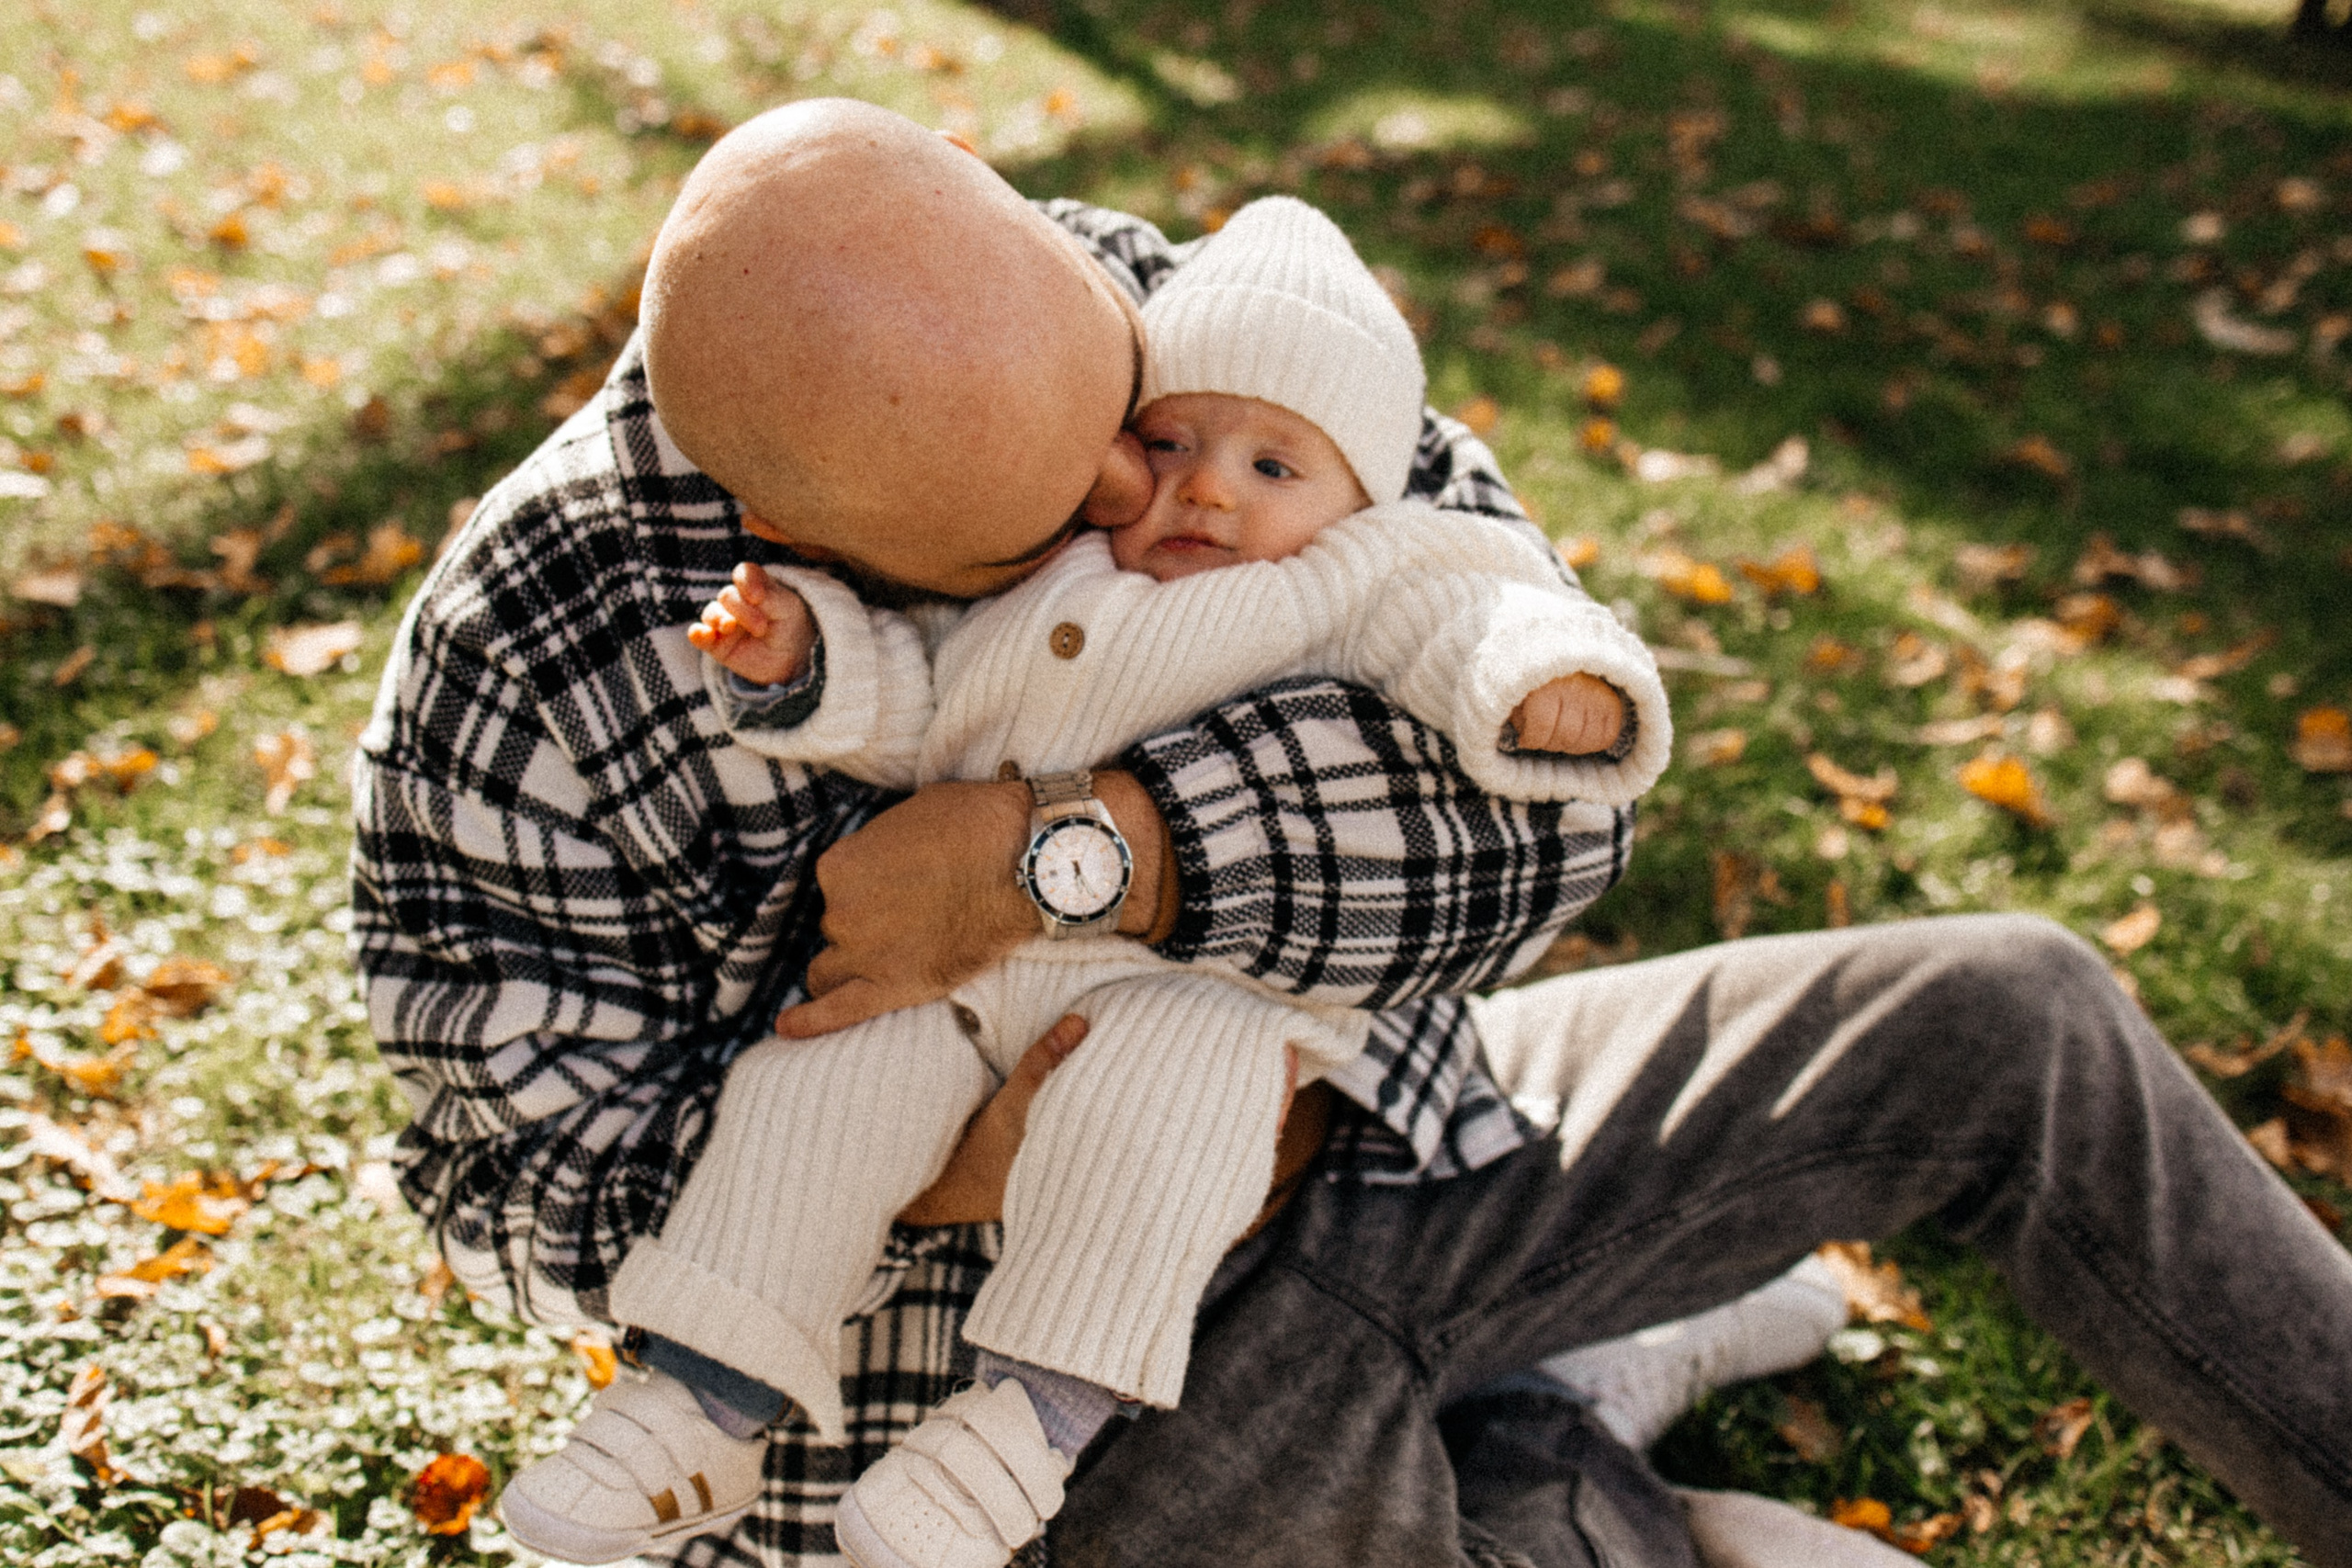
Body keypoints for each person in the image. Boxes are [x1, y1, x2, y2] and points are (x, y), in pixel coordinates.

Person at [351, 99, 2352, 1568]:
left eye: (1127, 426)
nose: (1141, 508)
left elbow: (1548, 793)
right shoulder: (517, 678)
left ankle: (1552, 1363)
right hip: (1028, 1407)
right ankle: (1560, 1431)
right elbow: (517, 1186)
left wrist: (1086, 851)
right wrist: (969, 1160)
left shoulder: (1164, 316)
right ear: (788, 540)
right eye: (1032, 529)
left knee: (2008, 1008)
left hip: (1406, 1124)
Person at [497, 194, 1674, 1568]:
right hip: (961, 974)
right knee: (820, 1071)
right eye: (1172, 443)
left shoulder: (1356, 572)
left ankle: (1024, 1428)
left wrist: (1550, 679)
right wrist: (804, 656)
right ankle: (703, 1398)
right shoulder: (1048, 571)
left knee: (1156, 1121)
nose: (1211, 487)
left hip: (1196, 984)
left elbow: (1474, 607)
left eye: (1274, 464)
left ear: (1359, 489)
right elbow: (922, 703)